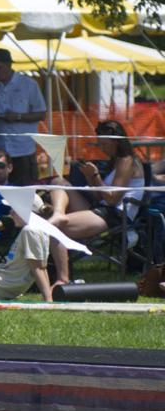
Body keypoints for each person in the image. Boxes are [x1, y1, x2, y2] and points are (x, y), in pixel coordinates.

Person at [46, 119, 144, 287]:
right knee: (59, 181)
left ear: (116, 142)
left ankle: (63, 279)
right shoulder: (116, 161)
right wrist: (89, 178)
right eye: (100, 143)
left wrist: (96, 176)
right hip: (103, 208)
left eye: (104, 143)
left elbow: (113, 199)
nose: (101, 148)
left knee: (54, 229)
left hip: (115, 215)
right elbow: (101, 198)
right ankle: (58, 214)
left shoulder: (127, 160)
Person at [0, 48, 45, 185]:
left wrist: (17, 117)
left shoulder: (28, 84)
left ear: (9, 65)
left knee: (23, 195)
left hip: (22, 151)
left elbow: (41, 114)